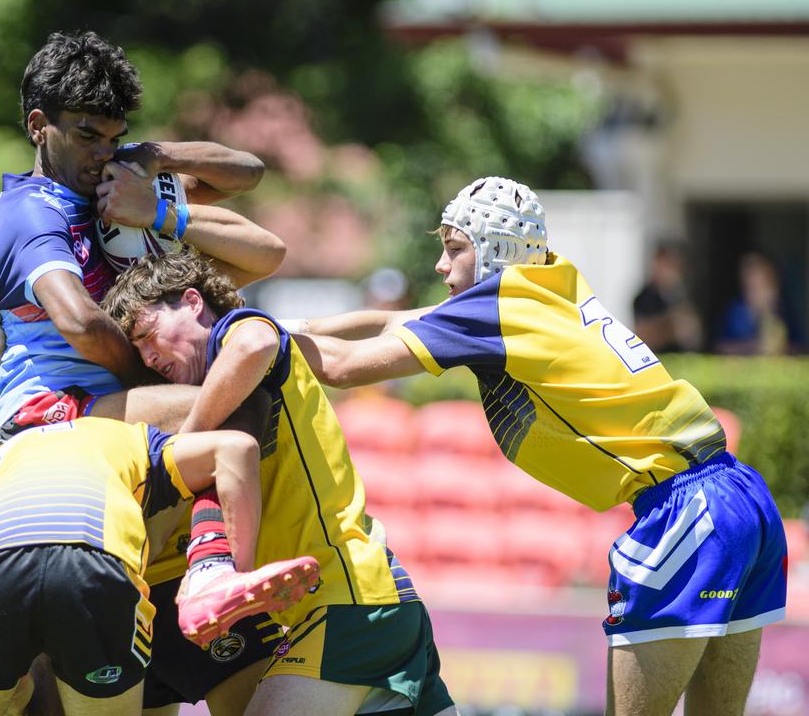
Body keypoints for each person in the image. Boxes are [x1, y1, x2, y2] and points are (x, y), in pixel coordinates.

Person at [294, 176, 788, 716]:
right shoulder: (550, 280)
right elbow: (397, 318)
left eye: (455, 248)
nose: (440, 265)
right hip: (742, 495)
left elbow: (340, 368)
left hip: (683, 508)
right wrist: (288, 323)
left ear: (495, 253)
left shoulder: (496, 307)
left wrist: (239, 339)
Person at [101, 249, 458, 716]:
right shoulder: (234, 370)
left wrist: (187, 448)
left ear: (192, 301)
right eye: (138, 348)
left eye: (149, 334)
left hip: (348, 605)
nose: (148, 354)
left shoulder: (238, 332)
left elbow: (255, 341)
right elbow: (322, 327)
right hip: (371, 600)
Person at [0, 29, 282, 441]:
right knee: (237, 395)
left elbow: (247, 173)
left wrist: (158, 157)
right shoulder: (31, 211)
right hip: (42, 413)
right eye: (87, 137)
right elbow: (81, 323)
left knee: (261, 376)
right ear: (39, 126)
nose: (102, 154)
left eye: (115, 139)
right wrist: (150, 377)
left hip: (95, 407)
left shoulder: (115, 181)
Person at [0, 417, 319, 716]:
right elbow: (237, 447)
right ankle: (214, 573)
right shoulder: (123, 435)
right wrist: (232, 568)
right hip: (97, 570)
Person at [715, 252, 801, 356]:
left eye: (764, 287)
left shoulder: (785, 312)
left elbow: (800, 347)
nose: (759, 295)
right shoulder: (735, 313)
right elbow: (720, 347)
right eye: (753, 289)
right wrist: (753, 347)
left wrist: (781, 348)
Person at [632, 243, 701, 353]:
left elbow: (692, 332)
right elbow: (642, 334)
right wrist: (669, 325)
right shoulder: (644, 297)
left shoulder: (679, 295)